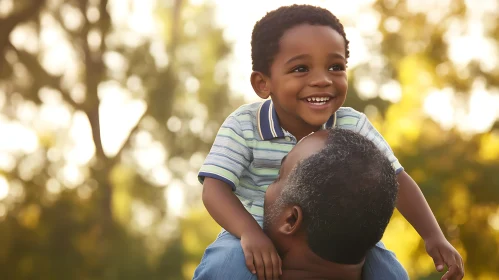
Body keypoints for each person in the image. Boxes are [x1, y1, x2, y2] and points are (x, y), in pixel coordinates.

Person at [194, 4, 464, 280]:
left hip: (337, 240)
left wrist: (433, 236)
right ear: (263, 83)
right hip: (252, 230)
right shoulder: (245, 124)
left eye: (335, 67)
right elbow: (214, 188)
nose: (322, 80)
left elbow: (395, 179)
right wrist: (249, 233)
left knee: (391, 273)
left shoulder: (353, 125)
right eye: (301, 68)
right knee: (224, 268)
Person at [196, 129, 403, 280]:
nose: (268, 187)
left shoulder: (228, 268)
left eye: (278, 176)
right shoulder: (390, 272)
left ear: (291, 219)